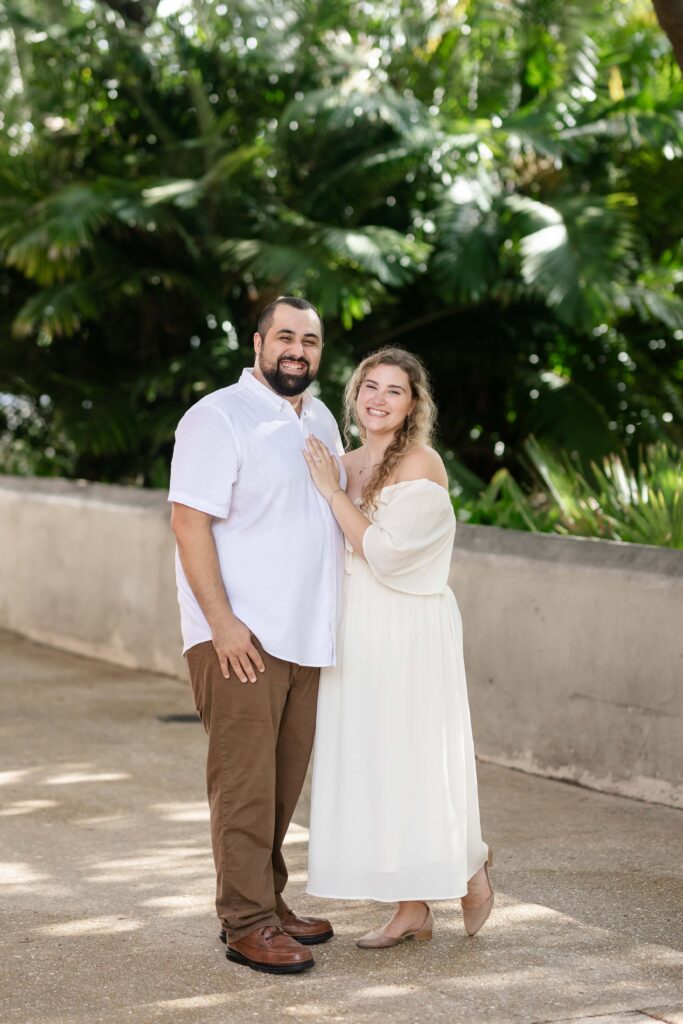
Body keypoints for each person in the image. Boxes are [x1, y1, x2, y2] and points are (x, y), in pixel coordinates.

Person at [168, 296, 345, 974]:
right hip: (239, 637)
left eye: (310, 339)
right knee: (242, 784)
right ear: (257, 342)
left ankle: (268, 902)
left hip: (305, 636)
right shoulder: (217, 416)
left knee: (279, 786)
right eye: (285, 337)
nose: (297, 349)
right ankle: (245, 921)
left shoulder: (320, 417)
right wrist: (221, 625)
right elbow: (189, 524)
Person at [303, 346, 494, 948]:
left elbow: (385, 554)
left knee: (414, 761)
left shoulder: (421, 465)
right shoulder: (345, 460)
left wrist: (333, 496)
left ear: (413, 404)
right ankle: (410, 907)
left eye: (394, 390)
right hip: (356, 629)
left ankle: (469, 864)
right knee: (377, 763)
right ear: (354, 394)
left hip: (409, 632)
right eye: (370, 386)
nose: (378, 399)